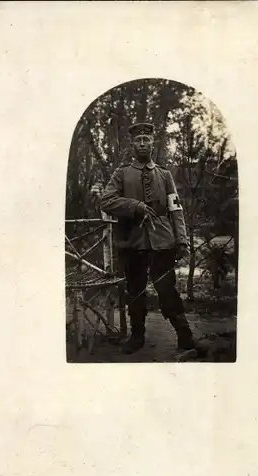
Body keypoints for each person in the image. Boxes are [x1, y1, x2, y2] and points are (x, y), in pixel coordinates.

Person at [100, 122, 200, 355]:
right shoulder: (122, 173)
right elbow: (106, 200)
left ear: (153, 143)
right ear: (132, 144)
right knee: (135, 291)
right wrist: (135, 206)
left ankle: (185, 337)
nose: (143, 143)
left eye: (147, 139)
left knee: (167, 289)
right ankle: (137, 337)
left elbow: (176, 209)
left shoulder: (164, 175)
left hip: (162, 243)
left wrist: (182, 240)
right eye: (138, 140)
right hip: (132, 243)